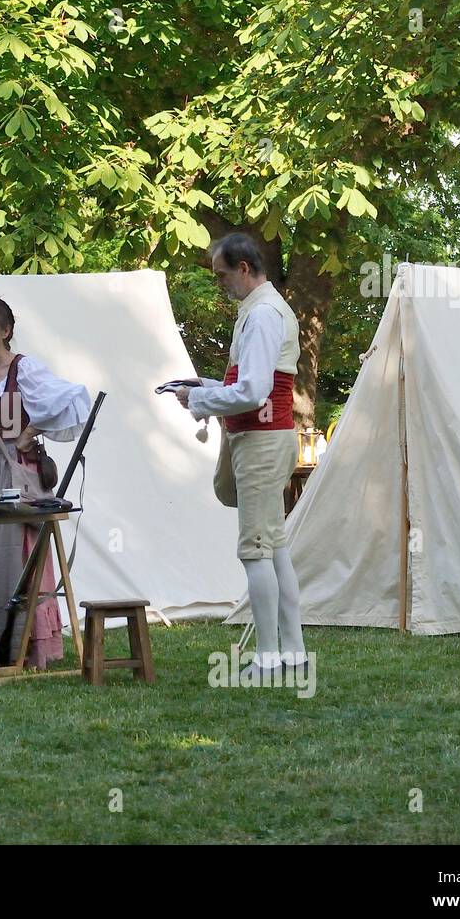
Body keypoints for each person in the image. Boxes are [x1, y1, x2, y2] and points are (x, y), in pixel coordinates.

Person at [179, 233, 306, 673]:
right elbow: (250, 385)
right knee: (274, 548)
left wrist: (198, 402)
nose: (220, 284)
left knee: (255, 550)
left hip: (261, 440)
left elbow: (254, 392)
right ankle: (291, 650)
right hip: (261, 438)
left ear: (245, 269)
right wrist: (205, 389)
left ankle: (270, 657)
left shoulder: (264, 313)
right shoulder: (260, 310)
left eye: (222, 275)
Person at [0, 297, 90, 669]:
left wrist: (31, 431)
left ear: (6, 330)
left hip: (15, 472)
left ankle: (21, 647)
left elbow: (72, 398)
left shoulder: (24, 370)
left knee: (13, 557)